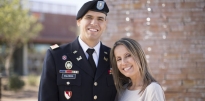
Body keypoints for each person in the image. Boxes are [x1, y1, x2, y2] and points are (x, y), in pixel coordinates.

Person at [38, 0, 116, 101]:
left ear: (105, 24)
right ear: (79, 21)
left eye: (100, 19)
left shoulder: (114, 57)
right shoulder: (56, 56)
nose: (94, 23)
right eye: (89, 17)